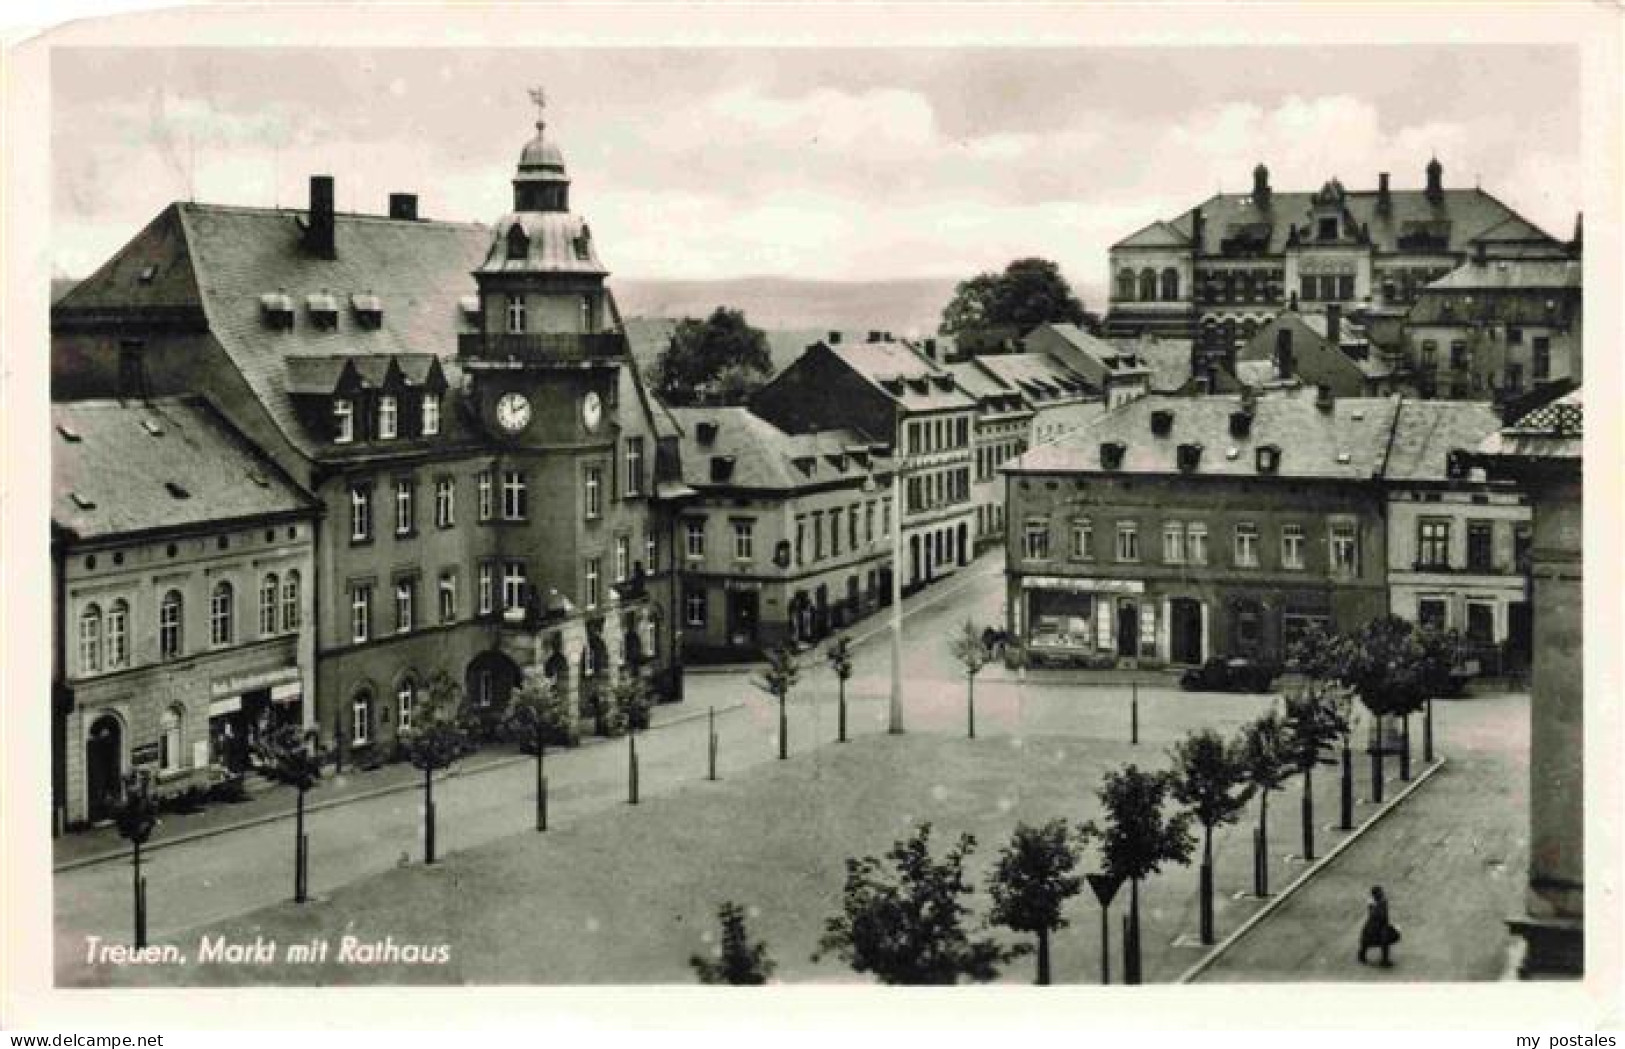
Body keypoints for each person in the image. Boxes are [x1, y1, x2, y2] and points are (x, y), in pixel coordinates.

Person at [1358, 885, 1399, 966]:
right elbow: (1376, 915)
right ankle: (1362, 955)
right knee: (1368, 940)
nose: (1382, 894)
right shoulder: (1375, 904)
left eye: (1381, 892)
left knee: (1383, 940)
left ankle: (1384, 960)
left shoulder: (1381, 902)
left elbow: (1383, 915)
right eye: (1380, 893)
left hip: (1380, 925)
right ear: (1375, 895)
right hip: (1374, 925)